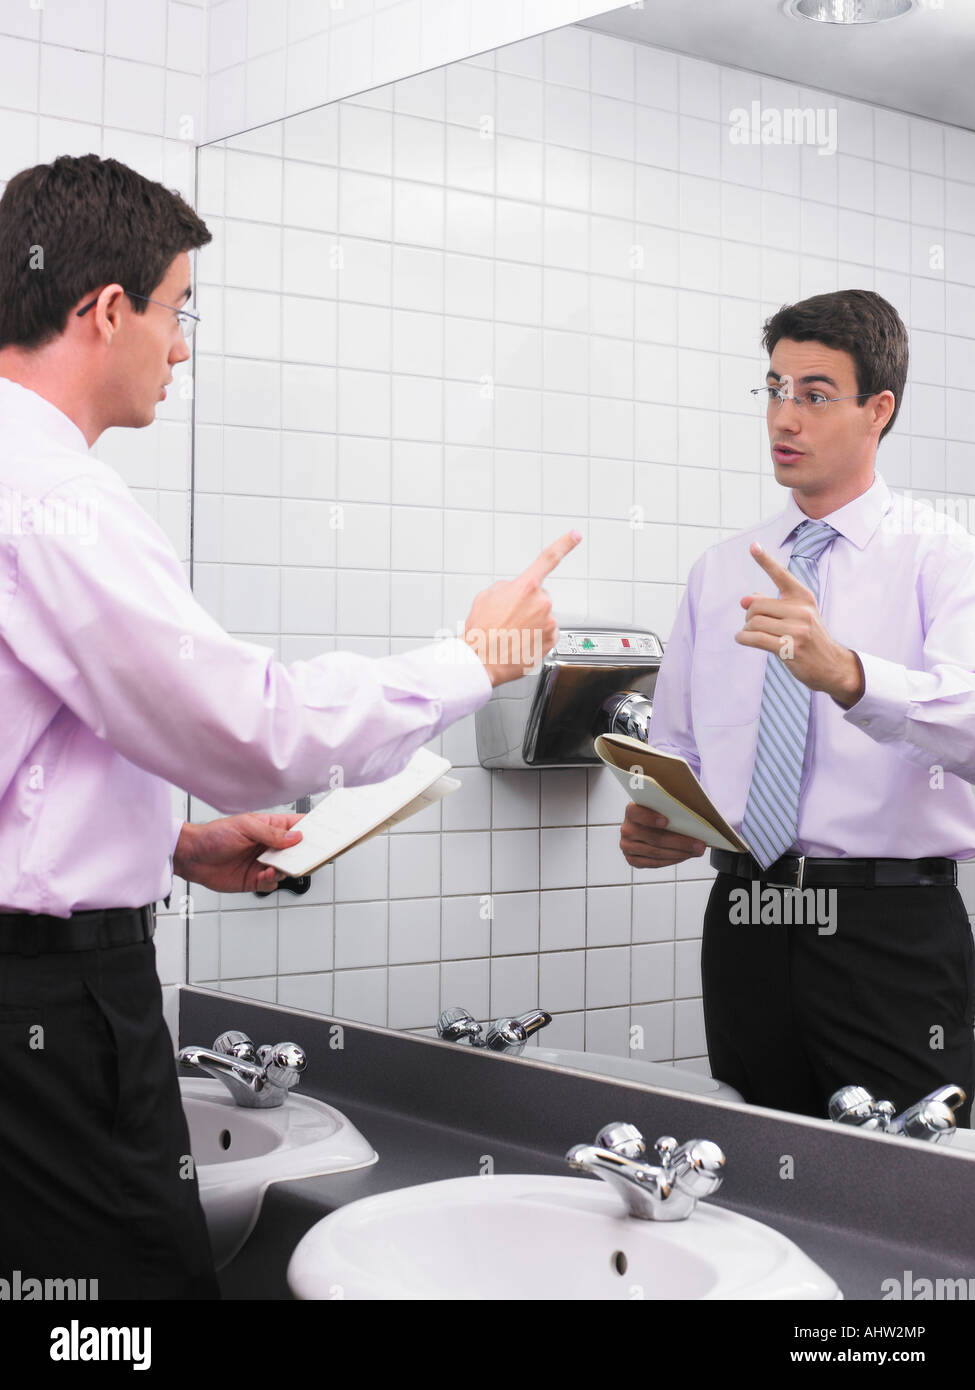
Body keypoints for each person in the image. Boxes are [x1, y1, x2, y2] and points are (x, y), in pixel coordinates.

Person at [0, 153, 579, 1299]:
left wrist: (161, 845)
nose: (184, 344)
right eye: (178, 310)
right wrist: (477, 658)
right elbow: (245, 729)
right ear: (106, 309)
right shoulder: (55, 498)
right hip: (52, 1014)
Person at [620, 288, 975, 1126]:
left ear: (876, 410)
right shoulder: (719, 571)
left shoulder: (943, 556)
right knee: (750, 1166)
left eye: (815, 395)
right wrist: (666, 823)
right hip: (744, 912)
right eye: (774, 389)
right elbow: (682, 753)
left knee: (908, 1181)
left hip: (888, 927)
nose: (786, 416)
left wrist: (847, 674)